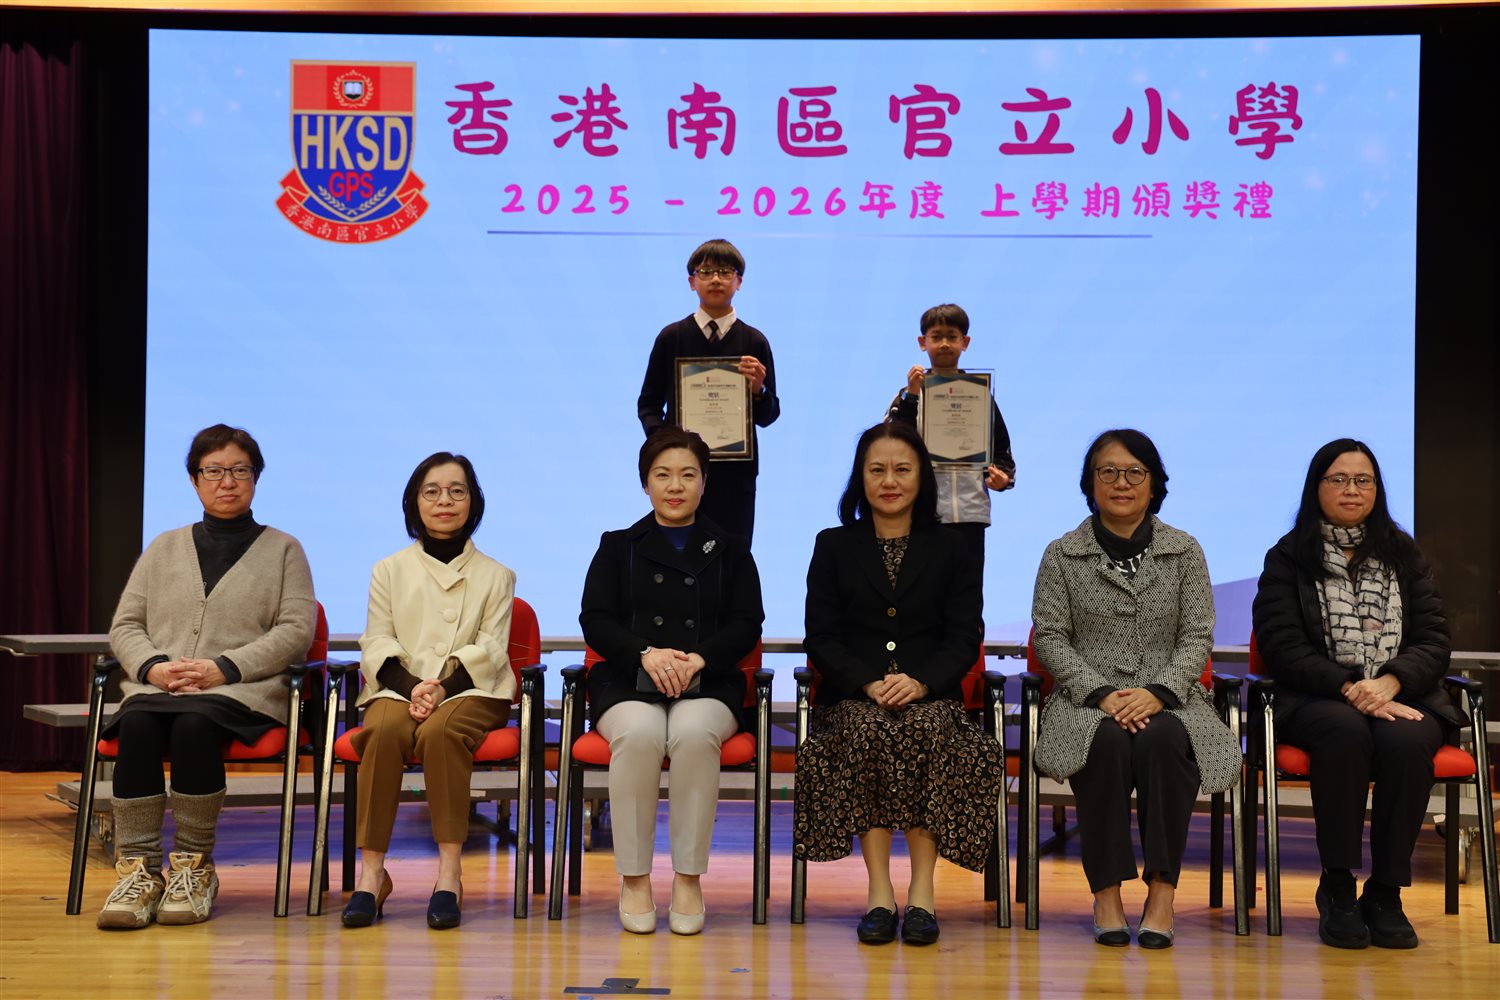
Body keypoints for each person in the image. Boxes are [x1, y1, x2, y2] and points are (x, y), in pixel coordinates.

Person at [796, 421, 1003, 946]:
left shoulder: (953, 547)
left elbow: (964, 636)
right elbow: (821, 636)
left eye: (902, 470)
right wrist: (867, 683)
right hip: (854, 697)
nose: (889, 481)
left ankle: (923, 893)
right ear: (860, 478)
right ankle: (880, 894)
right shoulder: (833, 545)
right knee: (868, 731)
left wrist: (922, 682)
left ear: (921, 478)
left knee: (927, 729)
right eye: (877, 470)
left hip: (929, 696)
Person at [1030, 428, 1239, 949]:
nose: (1121, 483)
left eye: (1134, 473)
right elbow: (1050, 637)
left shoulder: (1184, 550)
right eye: (1108, 472)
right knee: (1102, 743)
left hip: (1172, 700)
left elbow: (1197, 635)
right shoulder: (1062, 554)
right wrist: (1101, 693)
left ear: (1153, 483)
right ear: (1090, 483)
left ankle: (1162, 893)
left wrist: (1158, 692)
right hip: (1086, 701)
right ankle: (1106, 894)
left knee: (1162, 740)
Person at [101, 424, 316, 929]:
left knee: (194, 725)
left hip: (244, 690)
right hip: (162, 687)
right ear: (194, 480)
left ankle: (193, 867)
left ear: (256, 478)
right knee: (138, 724)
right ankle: (139, 870)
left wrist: (225, 668)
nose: (227, 481)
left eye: (240, 470)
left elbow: (296, 631)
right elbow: (126, 625)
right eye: (213, 471)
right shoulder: (163, 547)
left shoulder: (285, 549)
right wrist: (154, 667)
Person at [1252, 438, 1458, 950]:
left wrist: (1390, 682)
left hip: (1402, 693)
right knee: (1343, 731)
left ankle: (1386, 892)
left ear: (1376, 488)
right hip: (1316, 697)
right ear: (1317, 487)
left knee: (1407, 742)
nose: (1351, 489)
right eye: (1338, 479)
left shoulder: (1404, 554)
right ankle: (1338, 886)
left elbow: (1434, 639)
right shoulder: (1288, 556)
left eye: (1362, 480)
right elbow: (1281, 645)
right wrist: (1348, 687)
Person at [580, 428, 765, 935]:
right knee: (640, 734)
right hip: (628, 678)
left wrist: (699, 658)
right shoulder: (617, 546)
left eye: (688, 475)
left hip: (708, 679)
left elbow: (747, 622)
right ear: (645, 483)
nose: (675, 486)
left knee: (693, 733)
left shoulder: (731, 549)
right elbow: (595, 619)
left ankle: (688, 878)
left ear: (705, 482)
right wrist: (646, 653)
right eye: (663, 475)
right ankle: (634, 878)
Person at [342, 452, 517, 930]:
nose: (445, 501)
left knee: (440, 733)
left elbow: (491, 649)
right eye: (432, 491)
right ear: (414, 502)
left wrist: (442, 688)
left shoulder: (498, 575)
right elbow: (378, 640)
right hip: (399, 688)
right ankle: (372, 875)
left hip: (473, 690)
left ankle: (449, 874)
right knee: (381, 732)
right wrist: (413, 686)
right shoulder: (388, 569)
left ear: (473, 501)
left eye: (457, 491)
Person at [636, 238, 780, 547]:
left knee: (733, 558)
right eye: (705, 272)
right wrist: (666, 444)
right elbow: (648, 404)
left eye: (725, 272)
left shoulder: (754, 341)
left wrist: (759, 390)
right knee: (677, 553)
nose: (716, 279)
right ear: (692, 282)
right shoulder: (671, 337)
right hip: (681, 473)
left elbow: (769, 415)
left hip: (736, 477)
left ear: (739, 281)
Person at [885, 302, 1017, 599]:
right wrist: (912, 397)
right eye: (936, 336)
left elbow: (1002, 452)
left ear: (965, 342)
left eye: (952, 336)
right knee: (920, 597)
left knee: (966, 597)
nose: (944, 343)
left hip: (971, 514)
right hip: (921, 515)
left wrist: (1002, 478)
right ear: (923, 342)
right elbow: (888, 447)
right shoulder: (906, 395)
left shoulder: (979, 395)